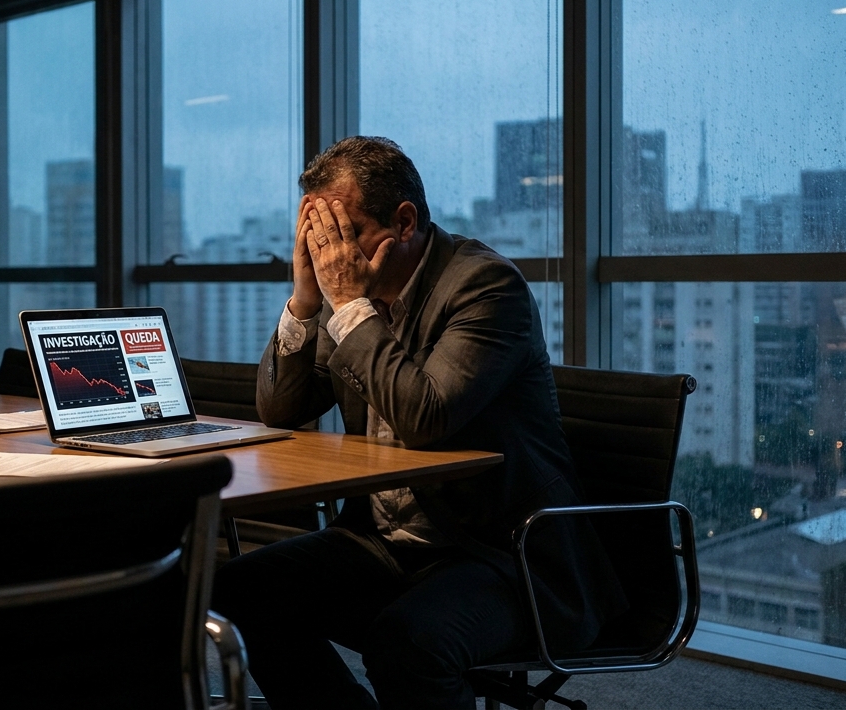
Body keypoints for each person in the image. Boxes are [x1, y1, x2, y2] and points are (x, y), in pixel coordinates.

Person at [211, 136, 625, 709]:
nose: (332, 255)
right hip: (386, 541)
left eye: (342, 232)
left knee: (408, 643)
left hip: (502, 554)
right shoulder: (346, 292)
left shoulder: (485, 287)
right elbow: (281, 409)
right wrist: (307, 299)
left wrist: (349, 307)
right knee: (234, 588)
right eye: (317, 238)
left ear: (404, 222)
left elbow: (424, 415)